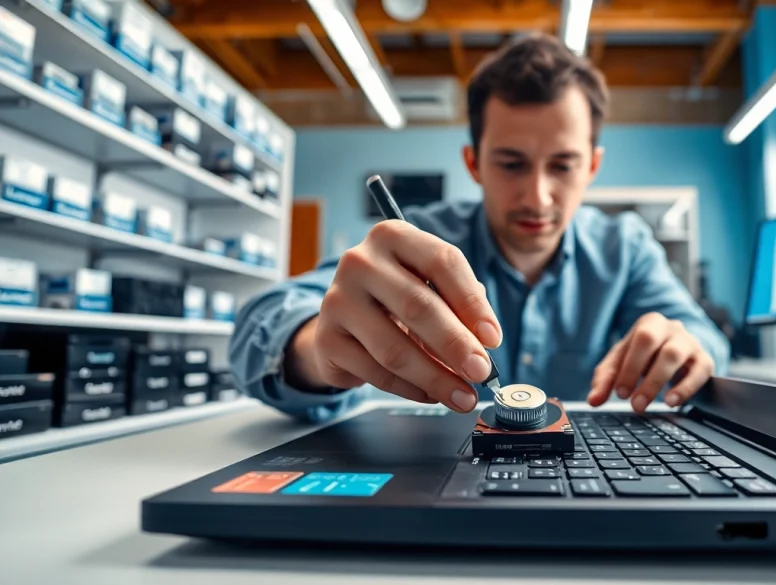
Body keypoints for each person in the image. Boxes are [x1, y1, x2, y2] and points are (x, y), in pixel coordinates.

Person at [229, 33, 730, 423]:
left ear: (593, 167)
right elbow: (261, 321)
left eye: (563, 165)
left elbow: (705, 340)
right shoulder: (419, 238)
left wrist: (687, 348)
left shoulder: (626, 249)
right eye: (512, 164)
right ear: (473, 163)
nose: (537, 196)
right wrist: (318, 350)